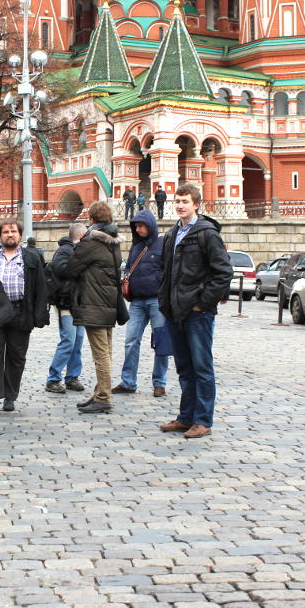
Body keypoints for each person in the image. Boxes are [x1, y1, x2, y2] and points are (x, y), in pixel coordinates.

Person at [158, 183, 232, 439]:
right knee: (184, 367)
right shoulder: (171, 234)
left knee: (202, 367)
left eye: (185, 201)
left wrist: (203, 303)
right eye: (177, 201)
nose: (180, 205)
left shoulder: (207, 233)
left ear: (196, 204)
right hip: (174, 311)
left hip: (197, 313)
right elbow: (166, 272)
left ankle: (203, 420)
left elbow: (223, 273)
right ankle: (185, 417)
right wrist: (164, 302)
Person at [62, 201, 123, 414]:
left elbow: (71, 267)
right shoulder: (113, 242)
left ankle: (104, 397)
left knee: (100, 354)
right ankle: (100, 393)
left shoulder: (91, 242)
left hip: (94, 302)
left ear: (92, 219)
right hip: (108, 301)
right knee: (106, 350)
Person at [0, 218, 48, 413]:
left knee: (16, 356)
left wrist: (39, 315)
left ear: (20, 235)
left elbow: (40, 287)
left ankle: (10, 396)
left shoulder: (31, 258)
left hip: (20, 311)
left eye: (13, 231)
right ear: (0, 235)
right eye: (5, 232)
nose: (10, 234)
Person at [112, 209, 170, 398]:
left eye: (141, 225)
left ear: (150, 225)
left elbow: (168, 270)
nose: (137, 229)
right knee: (130, 342)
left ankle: (159, 383)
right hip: (136, 302)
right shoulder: (136, 247)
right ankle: (128, 382)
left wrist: (157, 281)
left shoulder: (163, 244)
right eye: (135, 226)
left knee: (161, 342)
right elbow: (129, 267)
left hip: (156, 301)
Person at [45, 223, 87, 395]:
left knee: (77, 341)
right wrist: (80, 268)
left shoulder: (76, 250)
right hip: (66, 301)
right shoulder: (65, 250)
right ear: (81, 236)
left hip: (78, 302)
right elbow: (61, 269)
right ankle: (53, 378)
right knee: (68, 341)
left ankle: (72, 377)